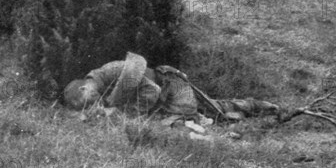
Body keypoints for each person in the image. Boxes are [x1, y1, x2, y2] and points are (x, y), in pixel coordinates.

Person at [63, 52, 280, 122]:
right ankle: (259, 109)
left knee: (215, 112)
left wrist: (123, 113)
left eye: (87, 101)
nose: (92, 103)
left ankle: (264, 107)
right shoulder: (101, 85)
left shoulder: (111, 71)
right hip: (163, 97)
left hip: (170, 85)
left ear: (84, 88)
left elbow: (151, 91)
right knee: (209, 114)